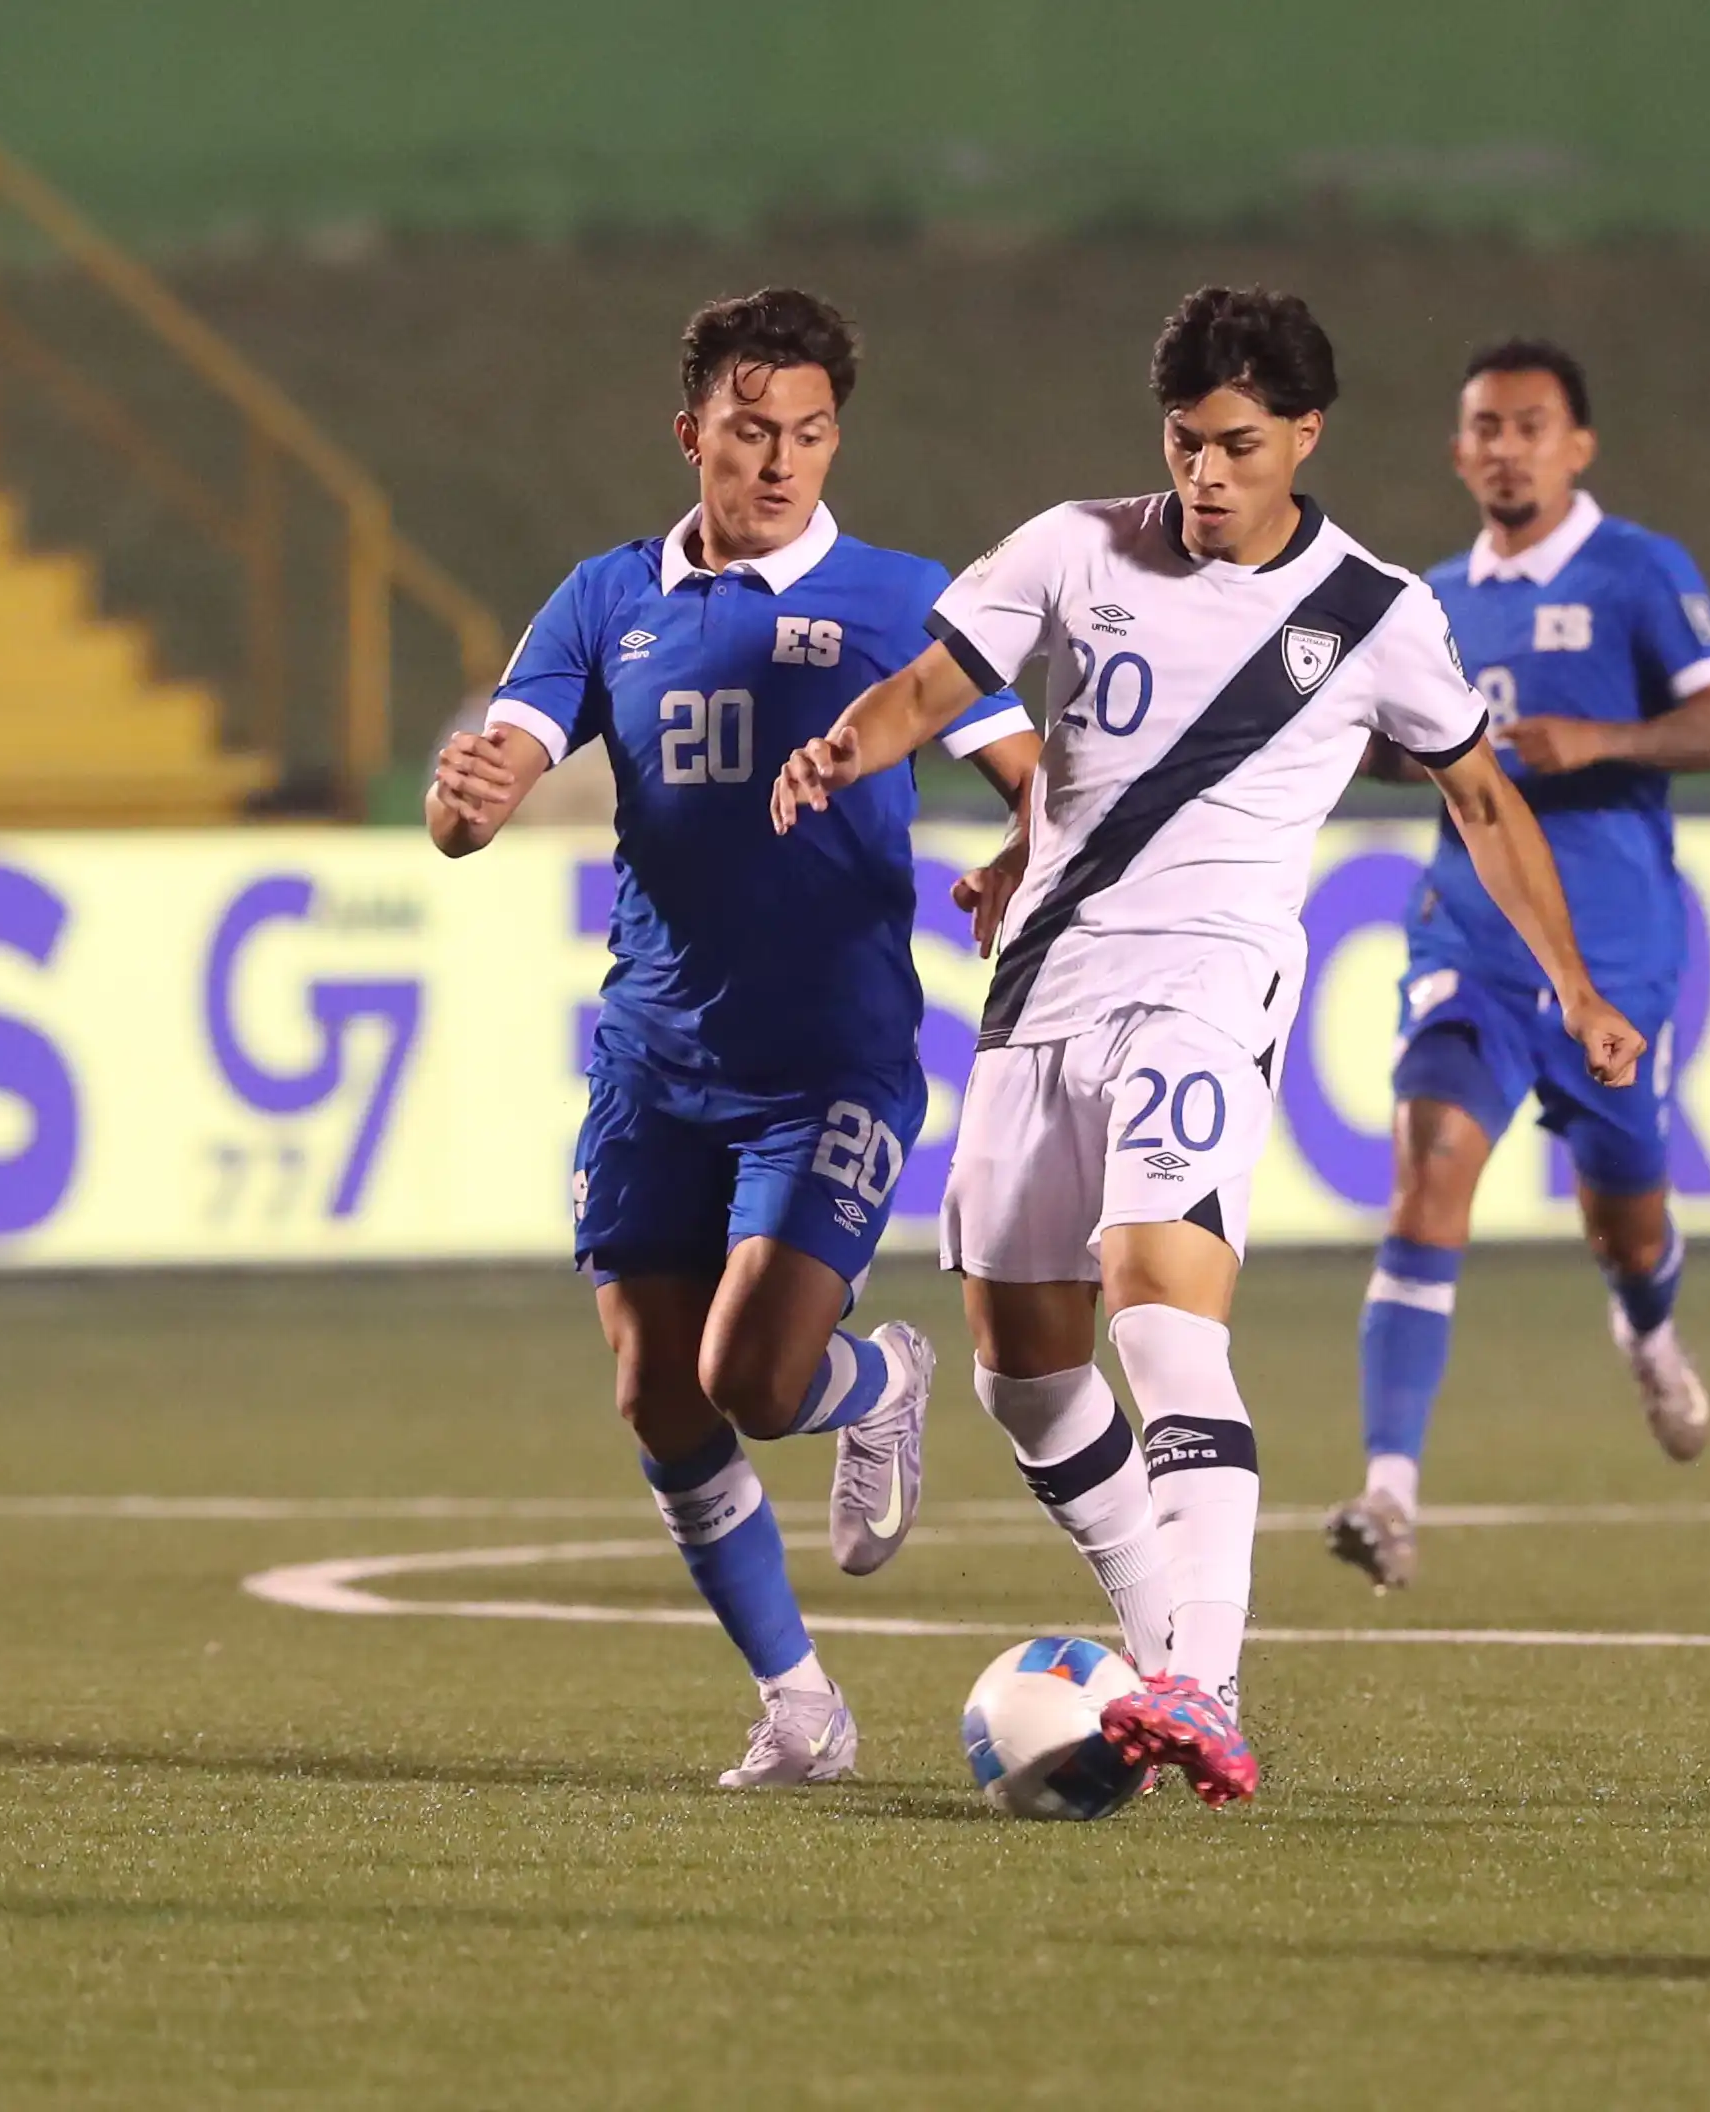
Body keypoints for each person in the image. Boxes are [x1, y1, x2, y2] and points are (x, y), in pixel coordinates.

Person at [770, 287, 1641, 1805]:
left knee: (1161, 1312)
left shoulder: (1377, 614)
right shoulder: (1072, 545)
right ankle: (1162, 1634)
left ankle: (1205, 1683)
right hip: (1040, 993)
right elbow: (940, 684)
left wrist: (1571, 985)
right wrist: (851, 744)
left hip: (1206, 991)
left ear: (1305, 436)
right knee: (1022, 1379)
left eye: (1241, 446)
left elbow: (1482, 798)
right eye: (1186, 444)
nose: (1207, 477)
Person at [429, 288, 1037, 1787]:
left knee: (762, 1383)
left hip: (829, 1055)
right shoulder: (602, 599)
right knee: (656, 1391)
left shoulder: (902, 599)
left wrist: (1030, 846)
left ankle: (878, 1383)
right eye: (750, 432)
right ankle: (802, 1710)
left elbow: (1041, 775)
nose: (779, 463)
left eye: (810, 435)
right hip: (653, 1054)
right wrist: (471, 798)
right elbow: (500, 754)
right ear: (690, 429)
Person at [1325, 338, 1710, 1594]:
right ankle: (1388, 1494)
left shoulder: (1637, 571)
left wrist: (1602, 740)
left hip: (1614, 966)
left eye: (1530, 425)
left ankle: (1648, 1326)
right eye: (1485, 427)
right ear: (1459, 451)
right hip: (1470, 945)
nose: (1506, 445)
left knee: (1627, 1216)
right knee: (1428, 1172)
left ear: (1579, 446)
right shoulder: (1430, 600)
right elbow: (1394, 752)